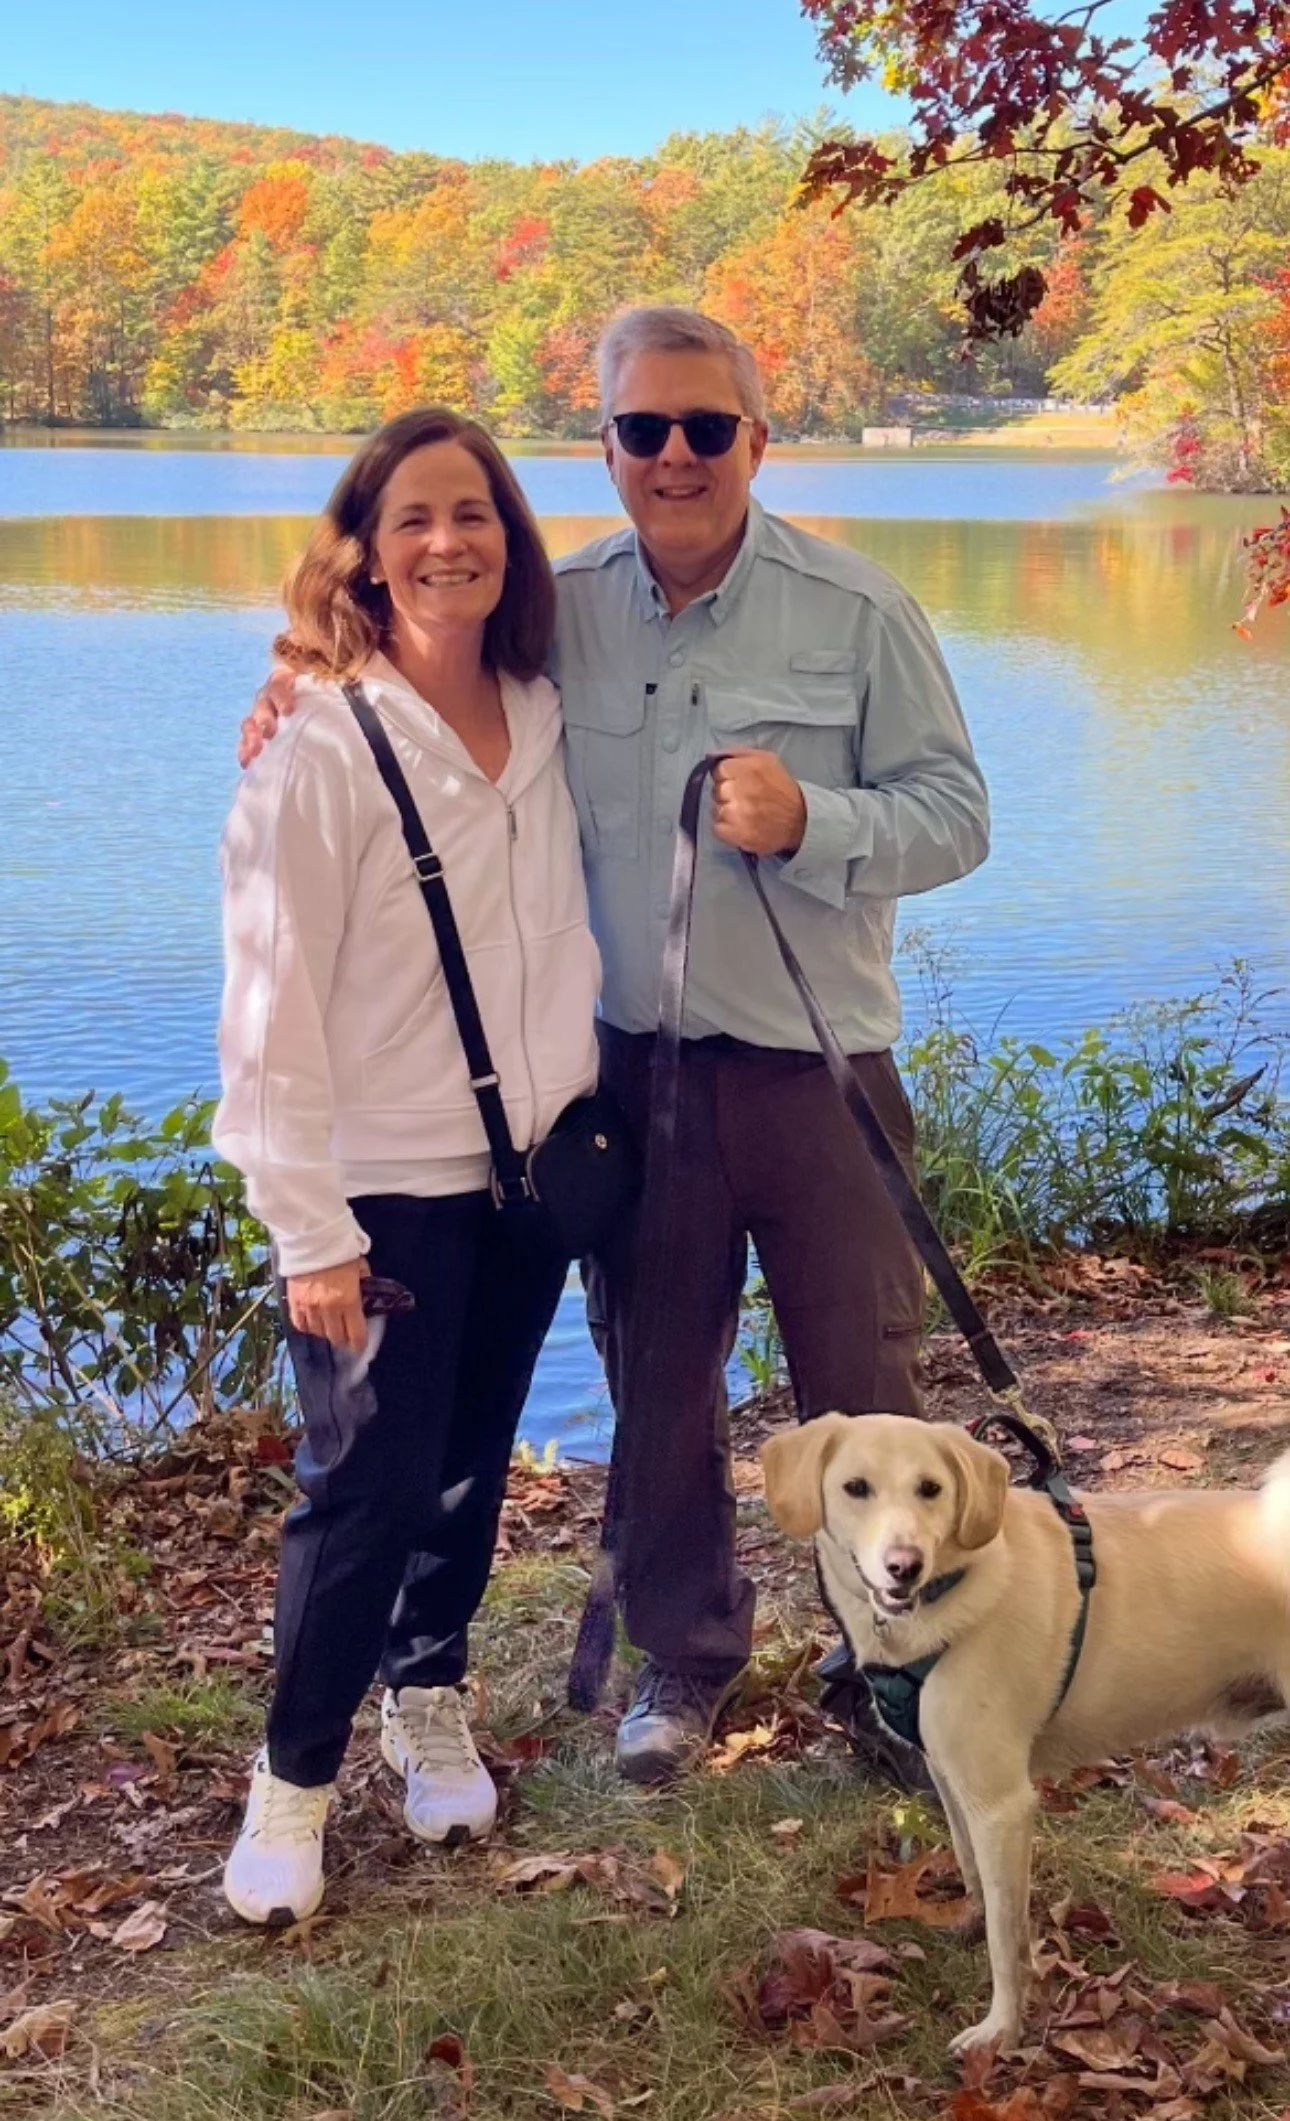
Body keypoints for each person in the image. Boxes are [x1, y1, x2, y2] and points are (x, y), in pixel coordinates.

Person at [240, 307, 990, 1790]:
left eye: (705, 427)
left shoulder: (855, 611)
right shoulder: (555, 610)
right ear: (604, 447)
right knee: (653, 1383)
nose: (673, 457)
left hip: (816, 1075)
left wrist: (818, 823)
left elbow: (956, 816)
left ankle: (894, 1670)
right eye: (641, 429)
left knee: (863, 1379)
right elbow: (410, 670)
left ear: (755, 442)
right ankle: (682, 1658)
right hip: (625, 1085)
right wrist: (288, 689)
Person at [215, 406, 601, 1924]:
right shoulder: (318, 748)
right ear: (365, 558)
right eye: (416, 520)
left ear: (511, 542)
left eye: (477, 515)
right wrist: (305, 1226)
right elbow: (265, 1008)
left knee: (466, 1462)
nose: (450, 543)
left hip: (529, 1176)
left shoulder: (554, 708)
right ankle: (290, 1787)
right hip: (377, 1185)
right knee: (359, 1492)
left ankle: (426, 1691)